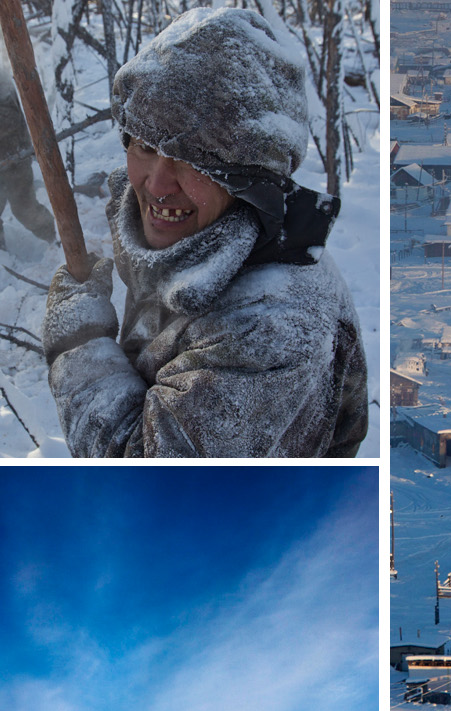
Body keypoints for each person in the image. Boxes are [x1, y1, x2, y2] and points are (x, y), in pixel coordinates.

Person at [41, 7, 367, 457]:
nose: (155, 185)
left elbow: (148, 483)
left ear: (248, 178)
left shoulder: (267, 326)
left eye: (191, 161)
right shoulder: (203, 239)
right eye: (145, 145)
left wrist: (80, 346)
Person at [0, 71, 57, 251]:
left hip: (14, 161)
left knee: (25, 209)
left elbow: (11, 119)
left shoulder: (2, 81)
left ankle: (56, 241)